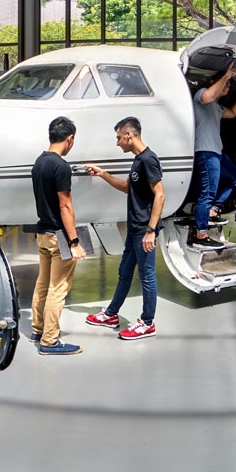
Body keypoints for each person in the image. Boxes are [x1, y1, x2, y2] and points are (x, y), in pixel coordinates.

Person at [84, 117, 165, 340]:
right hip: (134, 229)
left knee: (147, 277)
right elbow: (129, 188)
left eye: (119, 138)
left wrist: (151, 230)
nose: (118, 142)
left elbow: (160, 194)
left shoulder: (148, 160)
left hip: (143, 230)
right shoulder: (138, 160)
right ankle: (111, 314)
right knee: (124, 273)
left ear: (130, 135)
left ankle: (147, 323)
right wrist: (103, 174)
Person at [27, 116, 85, 355]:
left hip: (42, 233)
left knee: (43, 284)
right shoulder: (61, 167)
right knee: (57, 289)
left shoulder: (39, 162)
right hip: (58, 236)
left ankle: (37, 330)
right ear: (69, 139)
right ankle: (50, 341)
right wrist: (74, 242)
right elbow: (65, 206)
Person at [190, 67, 236, 248]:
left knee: (234, 178)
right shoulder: (201, 96)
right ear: (213, 83)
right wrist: (225, 75)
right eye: (225, 84)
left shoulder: (217, 106)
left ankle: (213, 210)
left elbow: (232, 113)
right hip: (205, 151)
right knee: (207, 193)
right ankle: (201, 234)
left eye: (229, 85)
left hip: (217, 152)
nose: (227, 87)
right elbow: (208, 96)